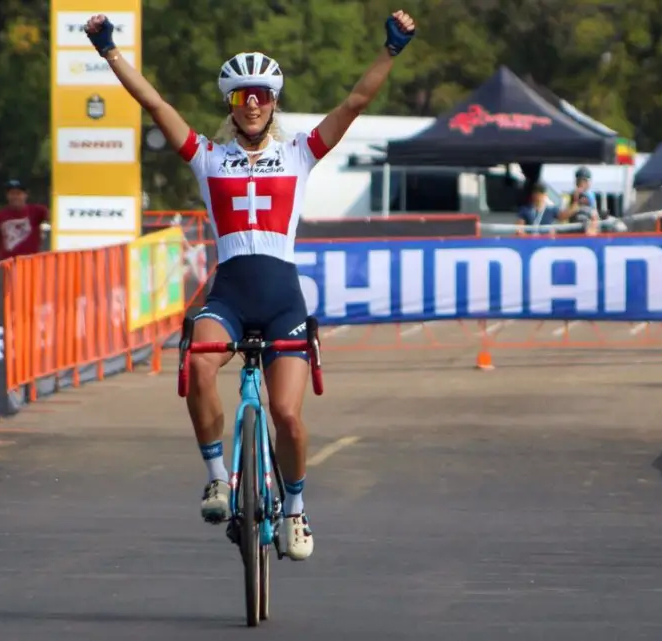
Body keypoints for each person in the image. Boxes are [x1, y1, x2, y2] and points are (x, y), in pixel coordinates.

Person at [86, 10, 416, 561]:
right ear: (231, 106)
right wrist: (109, 51)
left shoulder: (301, 153)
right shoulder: (207, 157)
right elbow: (156, 105)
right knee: (196, 364)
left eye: (262, 94)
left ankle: (295, 509)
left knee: (287, 414)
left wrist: (391, 50)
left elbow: (355, 103)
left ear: (274, 101)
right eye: (243, 97)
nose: (254, 103)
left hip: (283, 297)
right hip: (230, 296)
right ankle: (218, 477)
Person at [0, 179, 48, 262]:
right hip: (8, 264)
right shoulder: (0, 216)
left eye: (18, 193)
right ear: (7, 196)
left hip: (30, 263)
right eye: (12, 193)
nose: (15, 197)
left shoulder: (36, 211)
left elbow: (54, 218)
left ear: (25, 195)